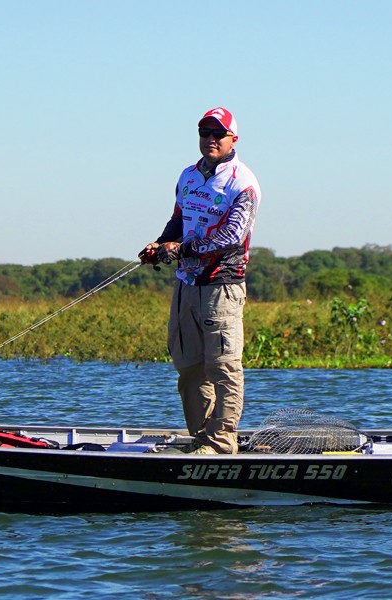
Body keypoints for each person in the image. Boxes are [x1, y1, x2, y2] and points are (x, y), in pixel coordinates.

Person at [138, 107, 261, 454]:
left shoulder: (243, 182)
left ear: (233, 139)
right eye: (204, 133)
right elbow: (178, 218)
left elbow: (231, 237)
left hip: (222, 284)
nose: (210, 139)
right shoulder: (187, 176)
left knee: (222, 366)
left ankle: (222, 442)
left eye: (217, 134)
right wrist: (160, 244)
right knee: (190, 368)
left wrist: (182, 249)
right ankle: (202, 438)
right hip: (185, 286)